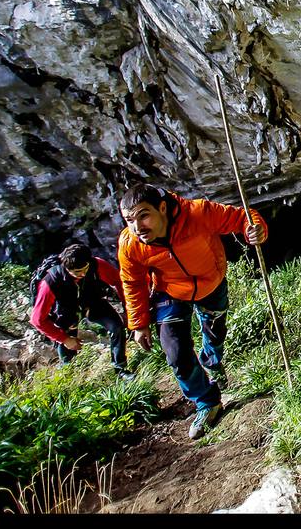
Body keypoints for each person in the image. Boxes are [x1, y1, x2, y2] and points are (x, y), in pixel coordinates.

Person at [117, 182, 269, 440]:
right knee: (175, 351)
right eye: (130, 220)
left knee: (215, 334)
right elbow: (132, 283)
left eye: (144, 215)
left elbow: (241, 217)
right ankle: (207, 402)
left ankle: (213, 362)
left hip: (211, 281)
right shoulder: (131, 244)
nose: (137, 227)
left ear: (162, 208)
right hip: (170, 291)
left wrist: (256, 230)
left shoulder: (197, 213)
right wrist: (139, 323)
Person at [29, 242, 132, 378]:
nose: (82, 274)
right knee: (68, 352)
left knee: (116, 327)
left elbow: (119, 282)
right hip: (66, 311)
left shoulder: (96, 265)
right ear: (66, 268)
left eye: (85, 269)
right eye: (77, 272)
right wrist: (64, 339)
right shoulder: (50, 282)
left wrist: (127, 309)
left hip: (93, 302)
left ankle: (120, 370)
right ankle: (71, 378)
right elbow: (37, 320)